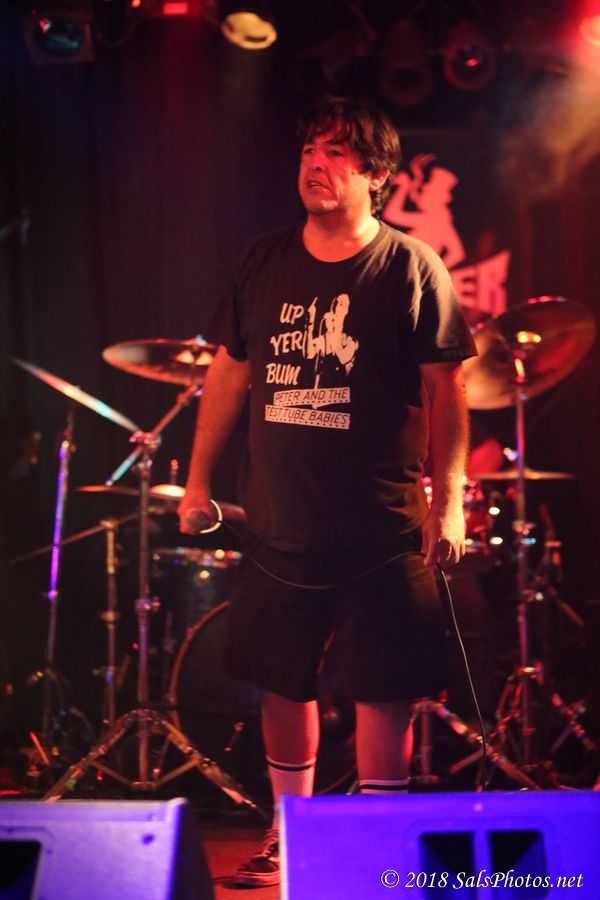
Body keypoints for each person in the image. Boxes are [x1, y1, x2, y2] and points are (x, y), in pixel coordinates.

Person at [179, 96, 476, 887]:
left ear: (376, 175)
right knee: (283, 680)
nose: (315, 162)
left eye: (337, 151)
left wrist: (450, 501)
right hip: (278, 522)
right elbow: (229, 372)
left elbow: (447, 390)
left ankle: (380, 841)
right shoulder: (263, 259)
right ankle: (291, 831)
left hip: (380, 525)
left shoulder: (411, 266)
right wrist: (197, 481)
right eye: (310, 148)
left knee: (385, 688)